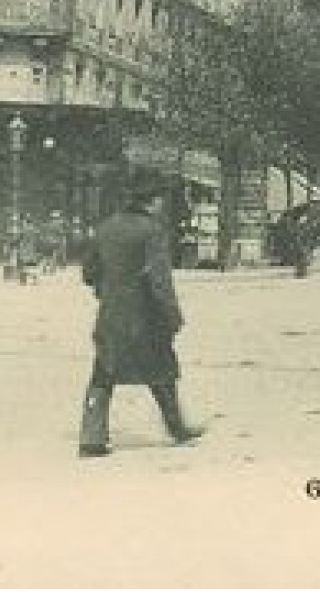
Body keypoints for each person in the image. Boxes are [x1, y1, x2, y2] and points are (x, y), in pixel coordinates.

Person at [77, 175, 203, 459]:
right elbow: (159, 280)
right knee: (162, 372)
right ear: (153, 201)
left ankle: (91, 438)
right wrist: (172, 315)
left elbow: (88, 272)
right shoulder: (152, 231)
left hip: (111, 315)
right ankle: (177, 428)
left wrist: (106, 291)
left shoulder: (105, 228)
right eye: (160, 199)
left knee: (103, 375)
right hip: (146, 316)